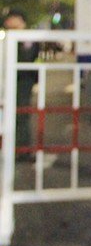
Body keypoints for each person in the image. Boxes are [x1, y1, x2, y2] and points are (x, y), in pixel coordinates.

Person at [2, 10, 40, 162]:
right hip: (9, 81)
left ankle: (22, 150)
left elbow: (27, 58)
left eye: (10, 19)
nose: (7, 22)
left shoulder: (26, 37)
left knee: (21, 114)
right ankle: (13, 148)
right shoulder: (8, 36)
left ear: (19, 20)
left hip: (22, 82)